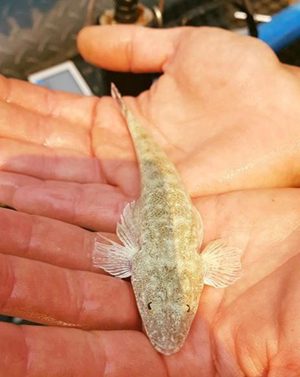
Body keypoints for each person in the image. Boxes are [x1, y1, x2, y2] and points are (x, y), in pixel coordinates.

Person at [0, 25, 299, 376]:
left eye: (189, 307)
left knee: (153, 161)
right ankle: (127, 116)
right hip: (162, 210)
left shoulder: (158, 261)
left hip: (167, 215)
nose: (168, 325)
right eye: (152, 306)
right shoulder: (156, 261)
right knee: (150, 158)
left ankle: (128, 116)